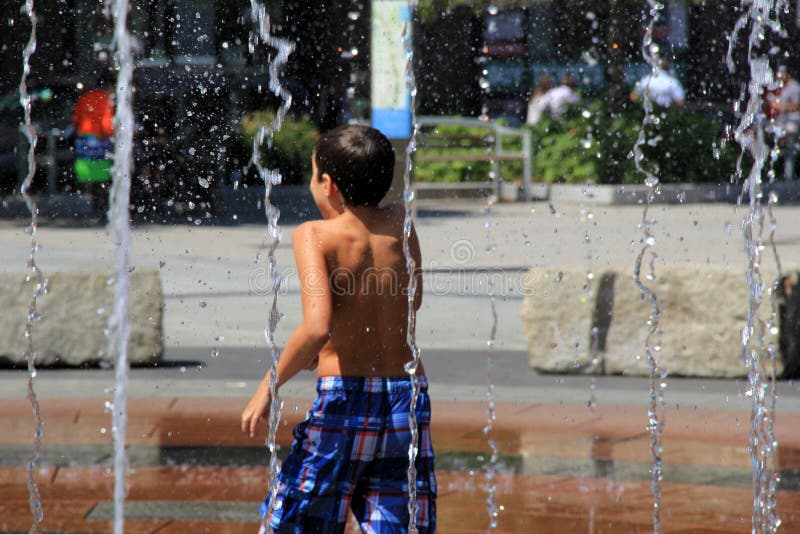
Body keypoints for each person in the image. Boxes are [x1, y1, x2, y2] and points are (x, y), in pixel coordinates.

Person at [241, 125, 436, 533]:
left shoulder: (314, 234)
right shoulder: (401, 222)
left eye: (314, 176)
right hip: (407, 400)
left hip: (344, 400)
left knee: (297, 521)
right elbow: (410, 302)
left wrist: (267, 387)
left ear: (328, 185)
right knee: (398, 524)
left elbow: (316, 326)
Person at [73, 72, 115, 219]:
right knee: (103, 172)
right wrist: (110, 133)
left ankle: (91, 203)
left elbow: (76, 118)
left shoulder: (85, 97)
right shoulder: (105, 99)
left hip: (84, 136)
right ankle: (102, 204)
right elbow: (106, 121)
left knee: (88, 171)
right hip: (99, 138)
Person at [767, 67, 800, 180]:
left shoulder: (795, 88)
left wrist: (779, 106)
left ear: (787, 74)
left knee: (790, 148)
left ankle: (788, 176)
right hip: (781, 122)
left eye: (781, 75)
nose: (778, 77)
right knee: (762, 129)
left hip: (793, 121)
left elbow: (797, 106)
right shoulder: (782, 87)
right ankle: (769, 171)